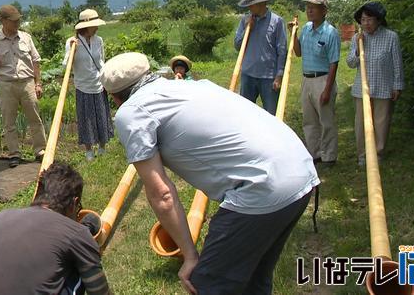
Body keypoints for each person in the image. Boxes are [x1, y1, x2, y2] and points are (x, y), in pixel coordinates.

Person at [99, 52, 320, 295]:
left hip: (263, 186)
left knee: (206, 284)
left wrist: (189, 255)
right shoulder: (191, 86)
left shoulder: (132, 112)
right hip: (301, 170)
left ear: (114, 97)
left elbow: (161, 194)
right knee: (254, 280)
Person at [0, 162, 111, 295]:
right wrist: (87, 245)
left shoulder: (0, 217)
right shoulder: (76, 233)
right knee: (77, 265)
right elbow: (100, 292)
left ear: (38, 192)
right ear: (74, 202)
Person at [0, 4, 47, 168]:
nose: (17, 24)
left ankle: (40, 150)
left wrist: (38, 83)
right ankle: (14, 153)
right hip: (6, 84)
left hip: (27, 82)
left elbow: (35, 60)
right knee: (9, 122)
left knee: (35, 118)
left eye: (18, 21)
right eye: (13, 21)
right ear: (3, 21)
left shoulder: (26, 37)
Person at [346, 2, 404, 166]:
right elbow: (350, 63)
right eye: (363, 20)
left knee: (381, 122)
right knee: (361, 123)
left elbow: (397, 63)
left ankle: (377, 154)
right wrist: (358, 48)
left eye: (369, 20)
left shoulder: (391, 37)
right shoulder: (357, 38)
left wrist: (397, 85)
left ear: (379, 20)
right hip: (361, 89)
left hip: (383, 87)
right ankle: (363, 155)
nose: (366, 23)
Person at [290, 0, 341, 166]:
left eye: (314, 7)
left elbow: (334, 62)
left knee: (326, 120)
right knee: (309, 120)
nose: (310, 10)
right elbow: (298, 53)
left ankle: (329, 156)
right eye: (308, 7)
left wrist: (327, 89)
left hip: (323, 79)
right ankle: (315, 154)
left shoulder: (331, 33)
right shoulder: (305, 30)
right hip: (306, 79)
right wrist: (293, 34)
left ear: (324, 11)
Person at [63, 9, 114, 161]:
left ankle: (103, 147)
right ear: (86, 26)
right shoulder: (73, 42)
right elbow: (68, 65)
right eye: (94, 25)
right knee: (86, 118)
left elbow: (101, 61)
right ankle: (89, 151)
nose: (96, 28)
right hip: (83, 86)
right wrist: (74, 49)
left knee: (101, 115)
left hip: (98, 83)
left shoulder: (99, 40)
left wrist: (106, 78)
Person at [234, 0, 287, 115]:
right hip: (248, 75)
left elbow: (282, 50)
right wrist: (248, 29)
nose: (249, 7)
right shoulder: (245, 20)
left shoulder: (277, 21)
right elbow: (237, 45)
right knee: (246, 114)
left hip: (269, 77)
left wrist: (279, 76)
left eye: (251, 4)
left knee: (270, 115)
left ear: (262, 3)